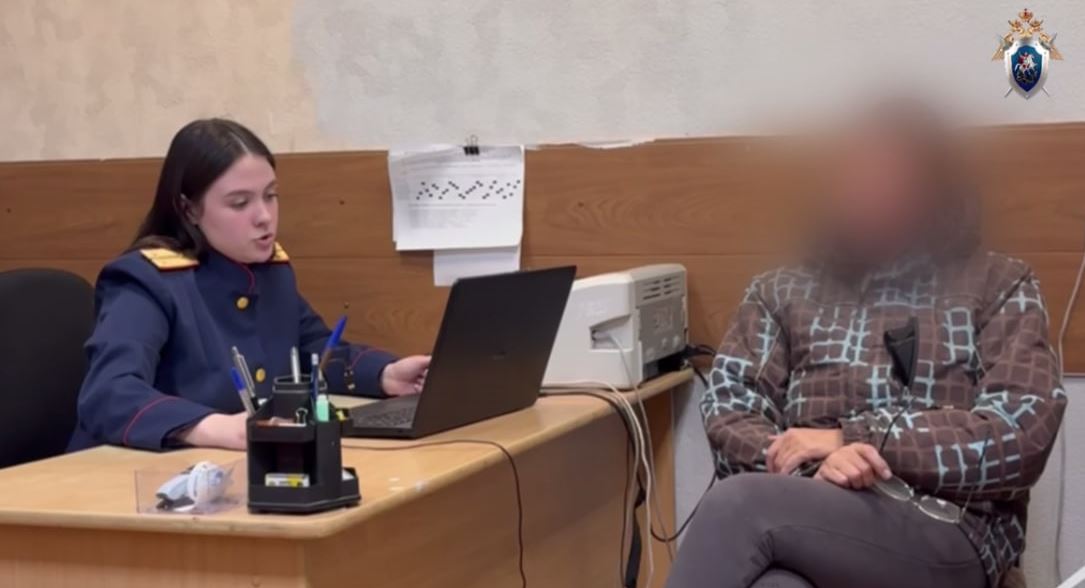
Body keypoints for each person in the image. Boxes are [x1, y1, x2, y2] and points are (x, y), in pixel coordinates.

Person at [666, 100, 1066, 588]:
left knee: (738, 506)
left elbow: (1023, 433)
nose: (871, 188)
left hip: (946, 529)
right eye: (856, 171)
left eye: (893, 172)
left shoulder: (1000, 284)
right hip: (806, 511)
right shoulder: (780, 292)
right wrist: (818, 466)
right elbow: (730, 414)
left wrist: (857, 439)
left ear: (935, 190)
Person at [68, 119, 430, 452]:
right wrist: (214, 427)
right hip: (131, 477)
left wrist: (385, 374)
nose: (264, 217)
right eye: (240, 203)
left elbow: (315, 353)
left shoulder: (270, 271)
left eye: (270, 195)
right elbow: (109, 392)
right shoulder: (147, 279)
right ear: (189, 210)